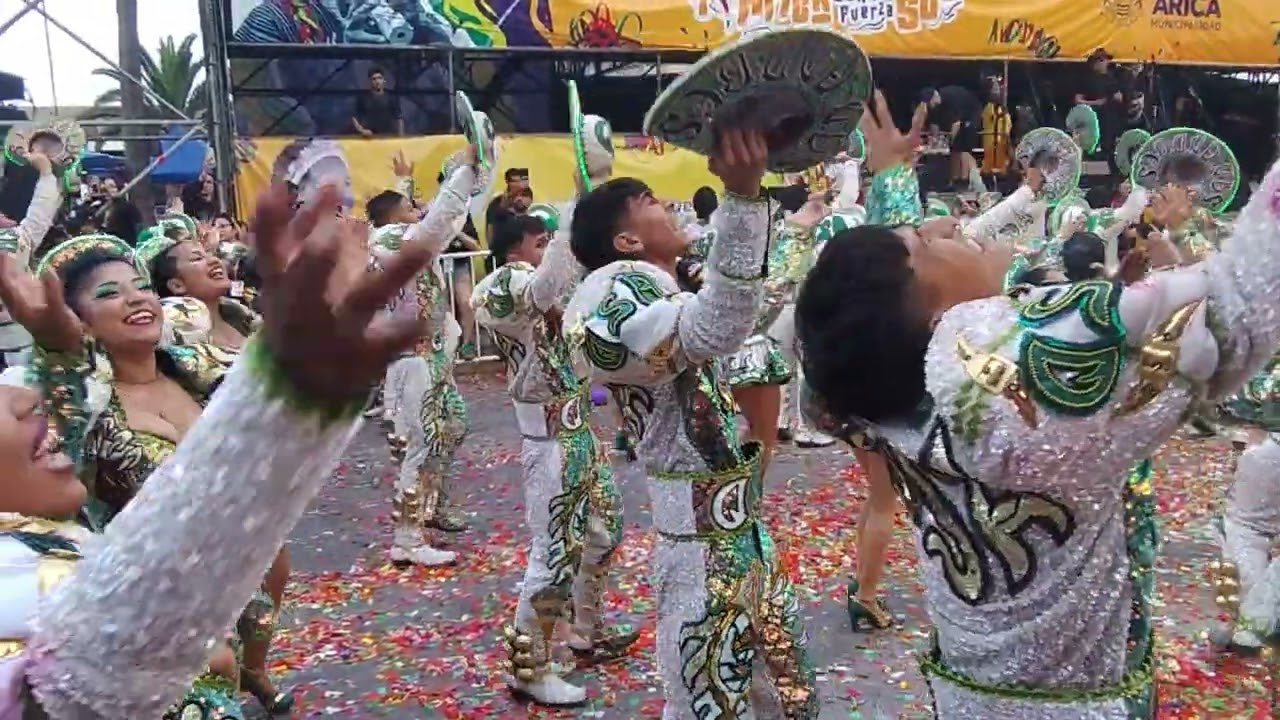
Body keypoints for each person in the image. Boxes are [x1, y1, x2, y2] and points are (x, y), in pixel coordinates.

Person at [796, 89, 1280, 718]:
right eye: (923, 237)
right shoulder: (1022, 385)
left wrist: (890, 179)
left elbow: (864, 320)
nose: (948, 225)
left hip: (967, 693)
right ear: (945, 318)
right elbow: (1233, 313)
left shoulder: (886, 398)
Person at [0, 180, 435, 718]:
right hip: (146, 641)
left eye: (139, 286)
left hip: (228, 604)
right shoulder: (82, 419)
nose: (136, 298)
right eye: (108, 293)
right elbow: (75, 683)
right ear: (78, 319)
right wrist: (59, 350)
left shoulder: (198, 369)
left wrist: (294, 388)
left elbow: (254, 460)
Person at [565, 128, 818, 719]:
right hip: (698, 547)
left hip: (737, 531)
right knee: (709, 700)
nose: (673, 205)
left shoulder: (667, 288)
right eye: (653, 201)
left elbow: (753, 304)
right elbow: (714, 329)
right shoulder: (611, 296)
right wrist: (742, 195)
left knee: (783, 690)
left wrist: (785, 214)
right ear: (626, 239)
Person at [472, 213, 637, 706]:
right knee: (553, 556)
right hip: (548, 443)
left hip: (578, 432)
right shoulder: (505, 283)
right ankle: (531, 666)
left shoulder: (543, 288)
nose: (550, 247)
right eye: (539, 240)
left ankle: (586, 631)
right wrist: (575, 221)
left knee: (604, 532)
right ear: (512, 248)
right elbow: (541, 291)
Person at [371, 147, 480, 567]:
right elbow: (439, 221)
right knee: (416, 447)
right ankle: (407, 539)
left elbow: (437, 222)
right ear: (393, 218)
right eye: (409, 207)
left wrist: (409, 183)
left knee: (451, 428)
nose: (417, 210)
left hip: (432, 358)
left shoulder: (401, 236)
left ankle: (431, 505)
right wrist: (467, 173)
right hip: (408, 364)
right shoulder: (389, 240)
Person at [0, 151, 59, 371]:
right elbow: (40, 215)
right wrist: (46, 173)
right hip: (20, 343)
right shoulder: (15, 239)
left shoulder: (15, 237)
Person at [919, 84, 984, 193]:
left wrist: (947, 142)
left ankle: (969, 182)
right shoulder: (934, 106)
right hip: (955, 121)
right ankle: (953, 181)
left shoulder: (951, 98)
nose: (932, 105)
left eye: (931, 102)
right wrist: (936, 141)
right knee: (951, 152)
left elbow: (956, 124)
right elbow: (934, 124)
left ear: (935, 95)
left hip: (971, 116)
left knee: (961, 149)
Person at [1074, 49, 1123, 168]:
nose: (1105, 62)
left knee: (1109, 147)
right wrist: (1095, 103)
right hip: (1092, 119)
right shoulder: (1087, 79)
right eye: (1102, 60)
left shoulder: (1111, 78)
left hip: (1109, 118)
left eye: (1106, 60)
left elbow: (1119, 97)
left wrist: (1116, 96)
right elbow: (1077, 99)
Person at [352, 67, 404, 138]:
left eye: (379, 78)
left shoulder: (391, 97)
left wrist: (401, 137)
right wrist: (362, 130)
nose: (377, 81)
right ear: (369, 81)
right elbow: (355, 117)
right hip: (369, 139)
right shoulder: (363, 98)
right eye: (374, 79)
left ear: (384, 80)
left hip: (388, 137)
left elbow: (399, 118)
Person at [485, 168, 531, 242]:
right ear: (507, 182)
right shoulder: (497, 202)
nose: (519, 184)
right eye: (515, 181)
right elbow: (490, 235)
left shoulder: (527, 199)